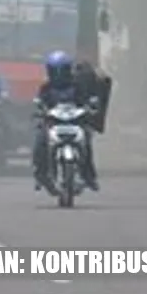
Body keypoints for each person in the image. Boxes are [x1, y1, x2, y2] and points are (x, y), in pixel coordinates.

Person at [32, 50, 99, 193]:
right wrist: (40, 110)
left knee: (86, 140)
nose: (58, 74)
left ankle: (89, 176)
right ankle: (40, 174)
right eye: (55, 71)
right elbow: (40, 102)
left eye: (62, 70)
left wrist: (89, 107)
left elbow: (85, 101)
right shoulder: (46, 87)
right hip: (53, 124)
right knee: (39, 141)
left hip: (74, 122)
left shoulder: (77, 86)